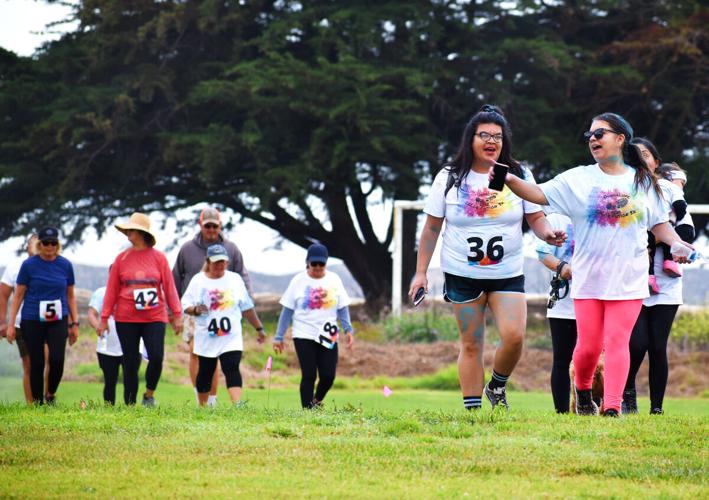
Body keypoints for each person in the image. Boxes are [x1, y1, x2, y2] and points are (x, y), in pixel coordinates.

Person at [498, 112, 693, 416]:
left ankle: (612, 407)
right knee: (588, 348)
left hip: (629, 278)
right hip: (588, 279)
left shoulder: (643, 182)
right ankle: (584, 391)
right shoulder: (578, 178)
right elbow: (536, 193)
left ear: (620, 138)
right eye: (589, 134)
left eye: (600, 133)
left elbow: (659, 226)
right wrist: (508, 178)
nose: (593, 139)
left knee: (618, 342)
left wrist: (677, 243)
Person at [408, 104, 564, 411]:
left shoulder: (518, 174)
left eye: (498, 136)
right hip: (462, 274)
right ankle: (473, 411)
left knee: (514, 337)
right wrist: (420, 272)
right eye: (484, 135)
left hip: (506, 272)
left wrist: (547, 233)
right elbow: (431, 228)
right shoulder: (450, 177)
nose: (491, 141)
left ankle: (497, 386)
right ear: (471, 139)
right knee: (471, 343)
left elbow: (535, 218)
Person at [623, 159, 695, 415]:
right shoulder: (633, 198)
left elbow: (687, 237)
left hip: (668, 285)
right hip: (635, 282)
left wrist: (668, 235)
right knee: (636, 343)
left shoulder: (678, 208)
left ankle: (657, 407)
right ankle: (626, 394)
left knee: (657, 346)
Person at [98, 212, 183, 406]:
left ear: (141, 232)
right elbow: (111, 291)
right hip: (126, 317)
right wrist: (104, 318)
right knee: (130, 361)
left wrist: (177, 315)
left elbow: (169, 287)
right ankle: (130, 403)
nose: (127, 232)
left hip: (155, 316)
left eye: (131, 229)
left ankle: (148, 394)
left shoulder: (159, 258)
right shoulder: (121, 259)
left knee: (156, 356)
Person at [172, 207, 252, 407]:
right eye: (207, 225)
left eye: (214, 226)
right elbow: (175, 279)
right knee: (197, 353)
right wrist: (174, 311)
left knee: (222, 356)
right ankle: (201, 397)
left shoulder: (231, 249)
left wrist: (246, 303)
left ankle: (213, 400)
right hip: (195, 310)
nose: (210, 229)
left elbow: (242, 276)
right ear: (200, 225)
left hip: (225, 310)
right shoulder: (187, 249)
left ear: (220, 226)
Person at [181, 244, 265, 406]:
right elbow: (186, 305)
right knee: (206, 371)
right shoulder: (198, 280)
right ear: (208, 262)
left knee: (231, 366)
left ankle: (238, 405)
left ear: (227, 262)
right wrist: (196, 309)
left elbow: (246, 307)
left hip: (230, 335)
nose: (219, 265)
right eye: (216, 262)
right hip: (207, 335)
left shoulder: (234, 279)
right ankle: (203, 405)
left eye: (223, 262)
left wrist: (259, 328)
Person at [273, 243, 354, 409]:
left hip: (327, 334)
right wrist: (279, 336)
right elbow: (287, 311)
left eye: (321, 264)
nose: (317, 267)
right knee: (309, 374)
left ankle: (316, 401)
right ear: (307, 263)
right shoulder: (298, 281)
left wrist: (348, 329)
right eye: (313, 264)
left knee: (328, 375)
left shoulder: (334, 279)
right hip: (304, 334)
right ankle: (308, 412)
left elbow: (342, 308)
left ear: (326, 263)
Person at [6, 227, 79, 405]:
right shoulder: (29, 265)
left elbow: (70, 295)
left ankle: (51, 393)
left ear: (57, 245)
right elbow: (18, 296)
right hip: (32, 319)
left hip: (57, 319)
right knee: (36, 363)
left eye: (53, 243)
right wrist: (10, 324)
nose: (49, 246)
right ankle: (37, 403)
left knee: (57, 359)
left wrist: (74, 323)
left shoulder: (65, 265)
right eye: (45, 243)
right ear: (40, 245)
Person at [536, 213, 577, 413]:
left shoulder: (602, 214)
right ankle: (562, 413)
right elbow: (543, 252)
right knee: (562, 360)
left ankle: (594, 406)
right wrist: (562, 267)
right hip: (565, 302)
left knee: (595, 360)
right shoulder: (557, 219)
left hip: (600, 298)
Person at [88, 268, 142, 405]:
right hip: (107, 346)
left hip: (132, 345)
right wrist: (97, 326)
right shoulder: (101, 293)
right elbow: (92, 313)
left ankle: (130, 408)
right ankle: (109, 408)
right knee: (110, 380)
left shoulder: (136, 293)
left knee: (131, 378)